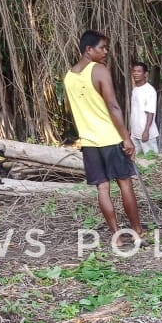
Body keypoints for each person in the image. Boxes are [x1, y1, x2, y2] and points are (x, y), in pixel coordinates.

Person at [63, 30, 144, 241]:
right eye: (102, 48)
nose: (106, 52)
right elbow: (113, 106)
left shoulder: (69, 76)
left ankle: (116, 235)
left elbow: (74, 111)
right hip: (110, 138)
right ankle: (137, 232)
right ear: (88, 50)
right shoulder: (99, 70)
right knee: (125, 183)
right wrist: (126, 138)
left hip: (89, 142)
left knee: (103, 188)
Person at [129, 62, 159, 155]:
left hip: (146, 135)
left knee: (151, 162)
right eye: (134, 71)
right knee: (136, 161)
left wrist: (146, 131)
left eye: (139, 71)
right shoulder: (135, 89)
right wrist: (132, 131)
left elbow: (150, 112)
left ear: (145, 74)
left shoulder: (149, 90)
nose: (136, 73)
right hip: (135, 134)